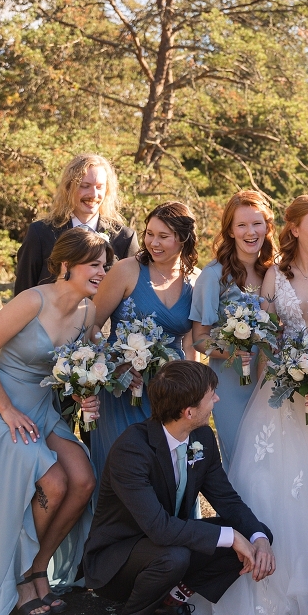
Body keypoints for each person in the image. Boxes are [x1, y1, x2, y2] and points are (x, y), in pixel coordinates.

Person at [188, 195, 308, 615]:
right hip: (279, 390)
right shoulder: (275, 273)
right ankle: (279, 587)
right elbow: (266, 331)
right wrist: (284, 370)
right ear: (292, 228)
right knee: (273, 481)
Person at [0, 229, 105, 615]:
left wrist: (86, 397)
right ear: (67, 265)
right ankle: (18, 578)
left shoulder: (88, 312)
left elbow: (81, 369)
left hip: (41, 409)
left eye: (104, 265)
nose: (101, 272)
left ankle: (39, 566)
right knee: (53, 481)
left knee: (84, 480)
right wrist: (6, 410)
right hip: (0, 407)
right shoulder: (32, 300)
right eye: (94, 264)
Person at [83, 361, 275, 615]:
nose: (217, 400)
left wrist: (258, 537)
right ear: (188, 411)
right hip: (119, 559)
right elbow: (159, 528)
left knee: (248, 535)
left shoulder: (201, 438)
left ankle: (172, 603)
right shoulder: (131, 449)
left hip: (166, 543)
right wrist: (230, 537)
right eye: (210, 396)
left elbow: (226, 500)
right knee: (178, 555)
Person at [89, 202, 199, 485]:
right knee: (123, 470)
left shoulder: (195, 283)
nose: (153, 242)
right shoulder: (127, 270)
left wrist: (190, 394)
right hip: (120, 388)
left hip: (167, 393)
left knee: (164, 474)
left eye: (164, 236)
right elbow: (91, 326)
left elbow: (189, 346)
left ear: (183, 238)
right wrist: (112, 364)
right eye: (150, 234)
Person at [189, 190, 276, 466]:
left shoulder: (275, 272)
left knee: (273, 462)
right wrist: (230, 352)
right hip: (231, 384)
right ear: (230, 230)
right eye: (241, 225)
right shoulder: (213, 276)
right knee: (243, 460)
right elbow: (199, 339)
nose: (250, 232)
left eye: (256, 223)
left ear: (267, 226)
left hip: (272, 380)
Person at [14, 153, 138, 294]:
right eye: (85, 186)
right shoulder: (40, 233)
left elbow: (133, 295)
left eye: (99, 187)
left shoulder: (125, 238)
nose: (93, 194)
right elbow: (23, 290)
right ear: (68, 188)